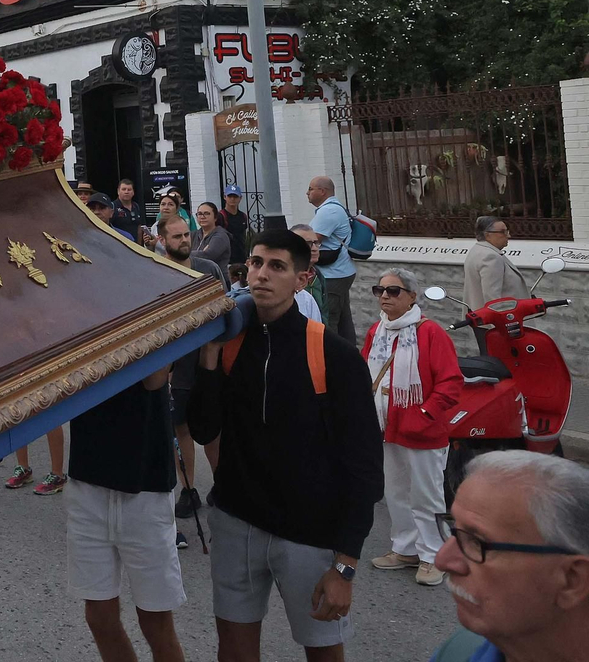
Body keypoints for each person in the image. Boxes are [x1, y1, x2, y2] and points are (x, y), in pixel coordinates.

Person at [188, 229, 383, 662]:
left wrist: (345, 566)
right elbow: (202, 429)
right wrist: (209, 358)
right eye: (255, 263)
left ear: (303, 278)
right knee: (235, 652)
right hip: (236, 522)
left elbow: (364, 467)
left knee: (323, 652)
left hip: (308, 535)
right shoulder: (230, 342)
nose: (261, 275)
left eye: (277, 266)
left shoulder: (334, 354)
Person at [67, 364, 187, 662]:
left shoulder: (151, 313)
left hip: (146, 480)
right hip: (88, 475)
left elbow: (155, 378)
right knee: (99, 617)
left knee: (156, 622)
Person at [428, 451, 589, 662]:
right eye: (454, 529)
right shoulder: (456, 652)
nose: (442, 560)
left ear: (572, 580)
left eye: (477, 542)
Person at [360, 269, 462, 587]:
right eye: (381, 290)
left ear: (412, 297)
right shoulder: (377, 331)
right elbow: (364, 371)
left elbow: (450, 383)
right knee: (396, 492)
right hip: (387, 428)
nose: (386, 296)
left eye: (394, 291)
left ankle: (434, 556)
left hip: (422, 430)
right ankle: (405, 549)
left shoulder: (431, 333)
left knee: (427, 496)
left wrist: (424, 414)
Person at [307, 176, 359, 347]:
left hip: (333, 275)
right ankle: (350, 357)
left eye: (311, 189)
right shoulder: (333, 208)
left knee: (329, 320)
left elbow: (309, 239)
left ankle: (333, 360)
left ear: (322, 191)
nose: (307, 193)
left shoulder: (328, 211)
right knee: (344, 319)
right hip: (341, 272)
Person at [462, 216, 529, 314]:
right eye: (503, 232)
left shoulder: (477, 250)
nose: (508, 235)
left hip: (480, 318)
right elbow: (492, 297)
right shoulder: (490, 256)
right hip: (495, 322)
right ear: (487, 235)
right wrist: (502, 324)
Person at [193, 202, 233, 278]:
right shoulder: (194, 235)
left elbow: (208, 255)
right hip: (197, 279)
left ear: (215, 217)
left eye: (207, 213)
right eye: (199, 214)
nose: (202, 217)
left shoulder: (221, 236)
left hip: (217, 280)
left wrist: (187, 255)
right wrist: (199, 253)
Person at [218, 185, 251, 274]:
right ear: (225, 197)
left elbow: (244, 236)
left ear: (240, 198)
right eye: (230, 196)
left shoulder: (243, 216)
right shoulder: (221, 216)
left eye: (235, 196)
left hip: (241, 258)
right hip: (227, 260)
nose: (232, 199)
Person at [112, 179, 146, 243]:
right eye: (124, 189)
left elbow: (139, 227)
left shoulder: (136, 206)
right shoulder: (112, 207)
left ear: (133, 192)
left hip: (135, 246)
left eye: (129, 190)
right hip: (119, 245)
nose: (126, 192)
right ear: (118, 191)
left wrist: (139, 246)